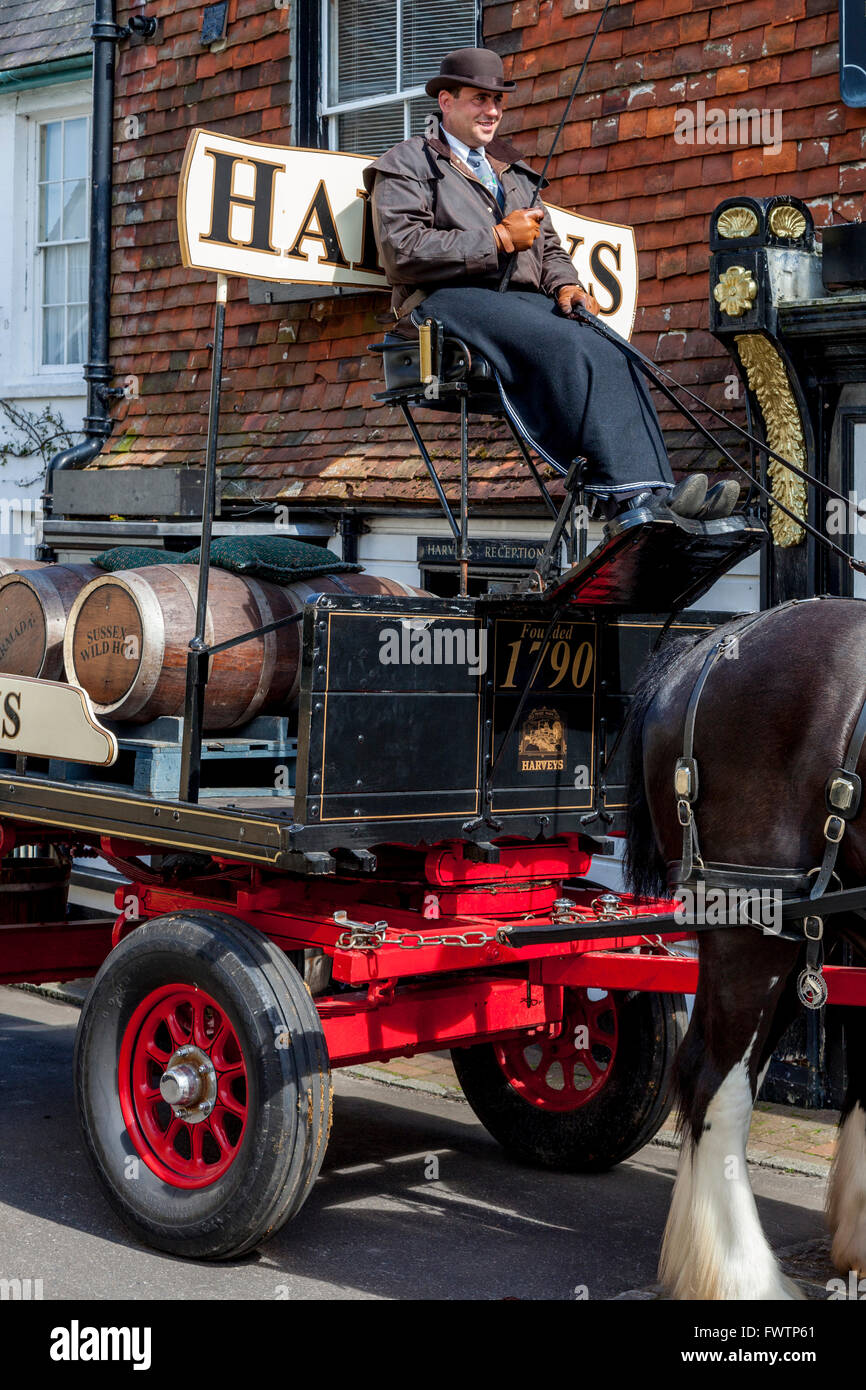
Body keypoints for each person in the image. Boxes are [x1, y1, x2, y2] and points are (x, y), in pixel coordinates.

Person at [364, 47, 739, 522]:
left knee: (609, 345)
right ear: (446, 101)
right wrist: (497, 238)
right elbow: (403, 251)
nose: (492, 111)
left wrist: (566, 285)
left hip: (514, 304)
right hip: (441, 301)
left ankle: (655, 490)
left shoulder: (509, 170)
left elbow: (549, 247)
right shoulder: (407, 164)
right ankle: (622, 495)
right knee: (565, 345)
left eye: (498, 101)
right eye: (480, 99)